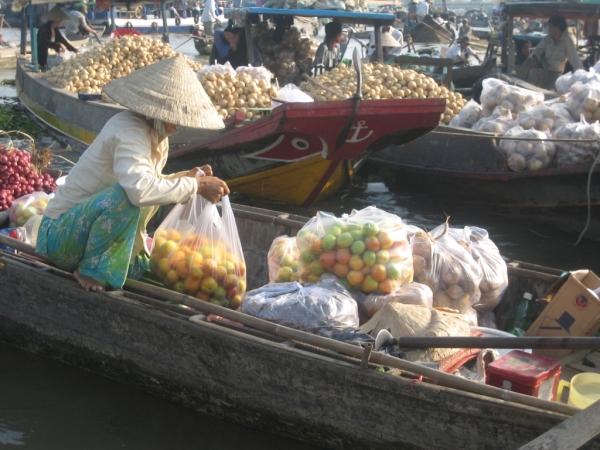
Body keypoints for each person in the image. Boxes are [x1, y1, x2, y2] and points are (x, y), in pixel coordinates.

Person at [36, 55, 229, 292]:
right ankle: (89, 270)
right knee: (125, 195)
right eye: (174, 119)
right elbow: (138, 191)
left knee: (159, 273)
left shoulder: (157, 137)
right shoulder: (129, 131)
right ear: (154, 113)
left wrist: (188, 179)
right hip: (59, 238)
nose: (177, 127)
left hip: (93, 236)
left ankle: (102, 264)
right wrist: (197, 187)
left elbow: (151, 185)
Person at [37, 5, 79, 70]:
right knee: (63, 61)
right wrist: (58, 44)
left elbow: (63, 41)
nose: (61, 22)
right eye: (60, 20)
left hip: (52, 56)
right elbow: (43, 42)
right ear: (56, 20)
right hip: (43, 58)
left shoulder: (55, 29)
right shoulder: (44, 28)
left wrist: (75, 50)